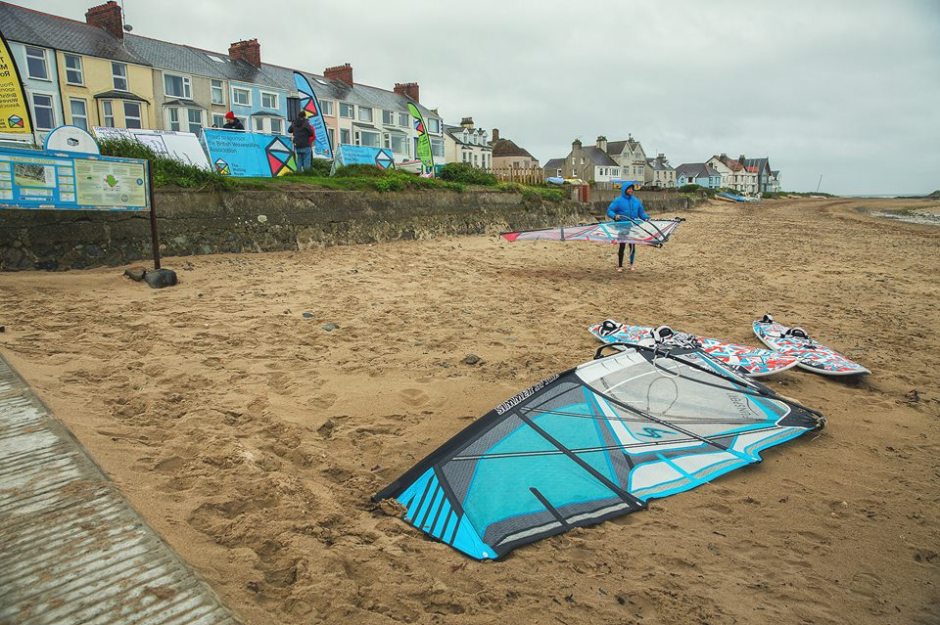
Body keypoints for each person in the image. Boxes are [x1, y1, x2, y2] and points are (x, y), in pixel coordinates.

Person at [606, 181, 649, 272]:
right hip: (622, 226)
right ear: (624, 189)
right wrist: (614, 216)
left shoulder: (636, 201)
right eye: (629, 189)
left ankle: (631, 264)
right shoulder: (618, 200)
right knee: (622, 246)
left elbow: (641, 213)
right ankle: (620, 266)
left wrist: (646, 218)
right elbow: (609, 210)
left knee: (632, 246)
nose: (631, 190)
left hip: (633, 226)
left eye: (632, 189)